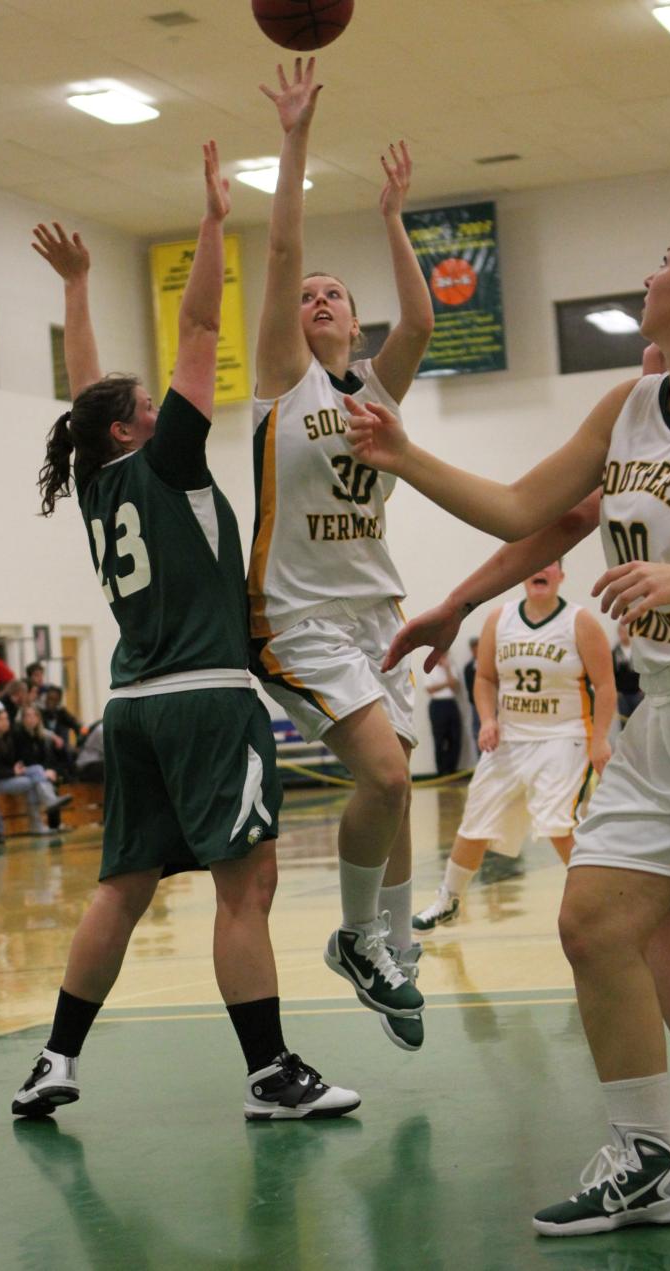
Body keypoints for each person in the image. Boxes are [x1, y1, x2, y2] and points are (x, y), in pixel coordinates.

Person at [345, 221, 670, 1233]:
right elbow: (521, 506)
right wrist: (405, 456)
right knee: (604, 922)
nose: (647, 269)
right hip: (665, 702)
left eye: (663, 260)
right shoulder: (626, 403)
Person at [16, 140, 358, 1123]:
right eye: (146, 399)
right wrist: (212, 222)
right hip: (207, 697)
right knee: (242, 892)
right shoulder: (167, 459)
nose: (160, 396)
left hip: (127, 706)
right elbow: (203, 322)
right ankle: (271, 1073)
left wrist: (79, 289)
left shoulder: (96, 475)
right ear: (138, 425)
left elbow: (85, 389)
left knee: (120, 888)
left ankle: (54, 1057)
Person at [249, 58, 434, 1053]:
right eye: (310, 294)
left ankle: (395, 945)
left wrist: (395, 215)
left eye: (334, 293)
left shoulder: (378, 393)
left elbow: (422, 321)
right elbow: (280, 252)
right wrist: (294, 140)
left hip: (377, 615)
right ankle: (361, 937)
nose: (317, 297)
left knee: (397, 779)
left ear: (353, 322)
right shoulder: (286, 382)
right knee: (389, 779)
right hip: (296, 618)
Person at [413, 562, 615, 930]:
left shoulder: (579, 621)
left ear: (561, 575)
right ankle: (448, 899)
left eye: (550, 564)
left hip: (563, 737)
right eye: (536, 563)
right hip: (510, 738)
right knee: (475, 822)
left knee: (559, 823)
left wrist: (600, 739)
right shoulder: (498, 618)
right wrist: (488, 719)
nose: (541, 568)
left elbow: (605, 685)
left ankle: (598, 903)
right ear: (525, 575)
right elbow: (486, 678)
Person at [0, 708, 71, 836]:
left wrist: (15, 768)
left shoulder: (7, 738)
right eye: (0, 719)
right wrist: (13, 772)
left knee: (37, 769)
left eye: (6, 719)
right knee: (31, 781)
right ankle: (43, 811)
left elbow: (11, 761)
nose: (5, 722)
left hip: (10, 776)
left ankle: (41, 816)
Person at [423, 652, 462, 776]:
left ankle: (452, 770)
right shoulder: (429, 668)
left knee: (455, 738)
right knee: (439, 739)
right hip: (437, 705)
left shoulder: (451, 666)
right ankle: (441, 771)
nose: (443, 656)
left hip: (451, 703)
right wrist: (447, 683)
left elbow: (455, 686)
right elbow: (430, 689)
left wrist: (447, 669)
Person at [612, 616, 643, 723]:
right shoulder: (614, 653)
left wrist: (643, 689)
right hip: (622, 695)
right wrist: (615, 691)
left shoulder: (638, 651)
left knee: (639, 722)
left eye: (625, 631)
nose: (623, 634)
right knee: (625, 722)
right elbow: (611, 674)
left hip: (638, 693)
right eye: (621, 631)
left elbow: (644, 671)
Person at [463, 635, 480, 743]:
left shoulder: (490, 664)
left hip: (493, 703)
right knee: (477, 731)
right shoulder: (468, 668)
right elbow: (469, 688)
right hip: (475, 704)